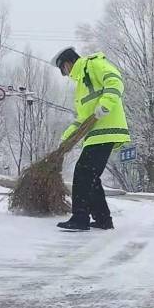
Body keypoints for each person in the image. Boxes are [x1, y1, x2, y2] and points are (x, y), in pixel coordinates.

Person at [51, 47, 130, 230]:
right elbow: (81, 119)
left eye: (63, 71)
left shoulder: (93, 64)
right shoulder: (81, 87)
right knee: (91, 176)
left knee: (83, 172)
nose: (65, 75)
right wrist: (65, 139)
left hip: (106, 128)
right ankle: (103, 219)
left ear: (68, 63)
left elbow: (115, 80)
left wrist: (105, 105)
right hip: (95, 134)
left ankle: (80, 217)